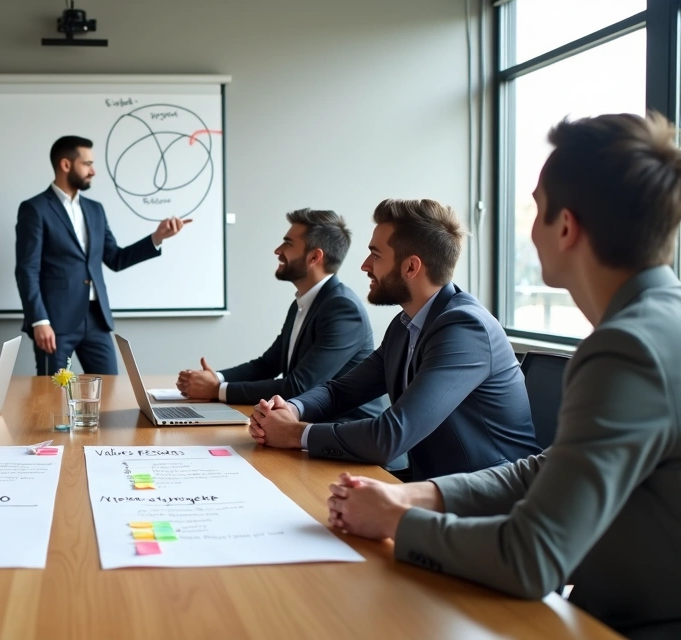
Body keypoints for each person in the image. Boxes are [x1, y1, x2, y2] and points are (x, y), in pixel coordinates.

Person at [325, 113, 681, 639]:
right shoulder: (658, 319)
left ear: (565, 227)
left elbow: (530, 558)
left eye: (535, 210)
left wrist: (396, 523)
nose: (530, 229)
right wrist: (417, 497)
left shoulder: (626, 348)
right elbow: (549, 468)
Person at [249, 198, 540, 480]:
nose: (365, 265)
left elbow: (390, 435)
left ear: (411, 267)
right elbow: (341, 391)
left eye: (375, 255)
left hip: (488, 505)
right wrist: (292, 408)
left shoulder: (465, 329)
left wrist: (292, 433)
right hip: (433, 489)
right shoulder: (405, 325)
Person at [176, 208, 381, 421]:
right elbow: (267, 365)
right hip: (308, 428)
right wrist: (215, 378)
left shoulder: (343, 309)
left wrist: (217, 389)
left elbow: (298, 386)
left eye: (288, 244)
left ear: (314, 257)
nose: (277, 250)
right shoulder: (302, 303)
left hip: (342, 437)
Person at [15, 135, 190, 375]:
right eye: (87, 164)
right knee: (51, 397)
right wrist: (39, 321)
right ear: (66, 165)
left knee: (109, 392)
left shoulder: (95, 210)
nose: (93, 171)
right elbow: (27, 269)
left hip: (97, 319)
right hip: (54, 323)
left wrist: (157, 237)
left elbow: (115, 258)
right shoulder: (35, 209)